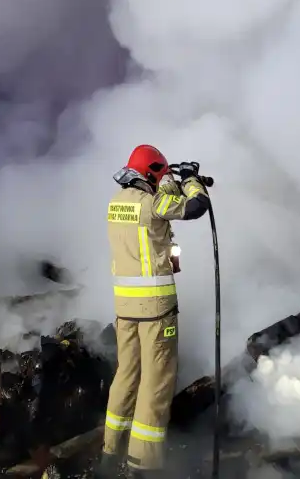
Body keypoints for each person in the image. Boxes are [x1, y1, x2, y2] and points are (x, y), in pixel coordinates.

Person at [95, 145, 211, 478]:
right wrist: (190, 179)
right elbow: (196, 206)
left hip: (125, 309)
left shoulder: (117, 203)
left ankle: (109, 452)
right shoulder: (152, 204)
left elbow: (156, 212)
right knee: (156, 382)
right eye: (158, 177)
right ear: (149, 175)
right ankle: (141, 463)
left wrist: (167, 182)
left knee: (126, 374)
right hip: (156, 310)